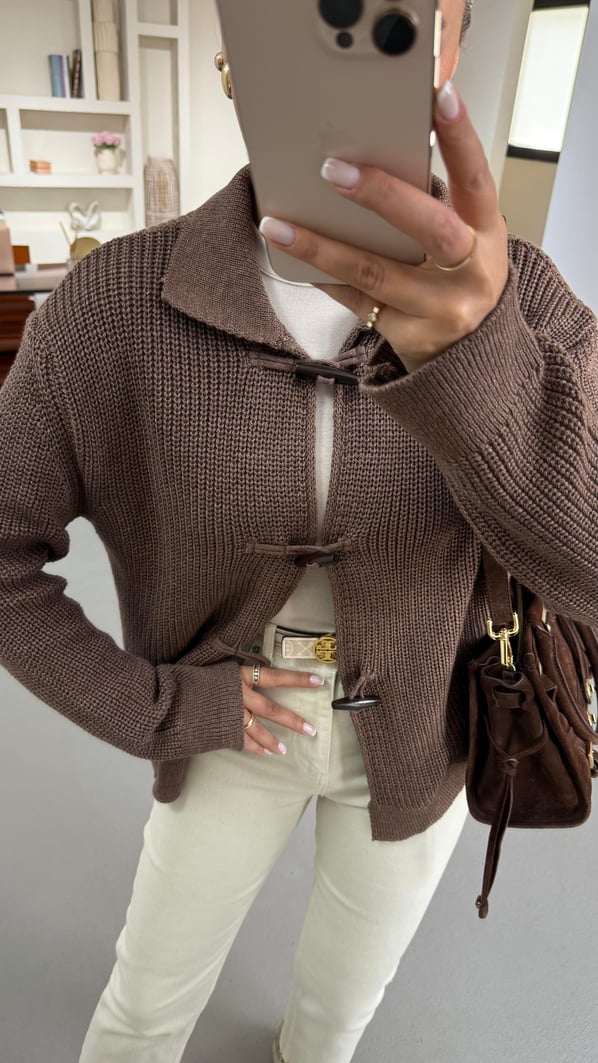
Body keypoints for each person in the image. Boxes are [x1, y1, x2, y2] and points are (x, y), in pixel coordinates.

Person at [1, 1, 597, 1061]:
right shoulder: (111, 306)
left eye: (413, 16)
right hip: (223, 725)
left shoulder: (531, 303)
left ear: (451, 49)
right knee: (141, 1012)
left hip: (424, 730)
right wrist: (159, 707)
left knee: (331, 1024)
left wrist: (481, 362)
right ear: (235, 49)